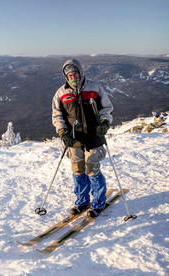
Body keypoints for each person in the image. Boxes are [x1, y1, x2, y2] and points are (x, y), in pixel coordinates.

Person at [52, 59, 114, 218]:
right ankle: (82, 201)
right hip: (74, 140)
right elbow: (57, 116)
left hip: (94, 137)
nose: (73, 77)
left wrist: (105, 123)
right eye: (69, 75)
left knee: (92, 170)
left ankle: (98, 203)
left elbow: (106, 108)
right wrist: (62, 133)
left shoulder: (95, 88)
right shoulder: (61, 93)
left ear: (80, 72)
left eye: (75, 74)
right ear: (66, 76)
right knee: (78, 171)